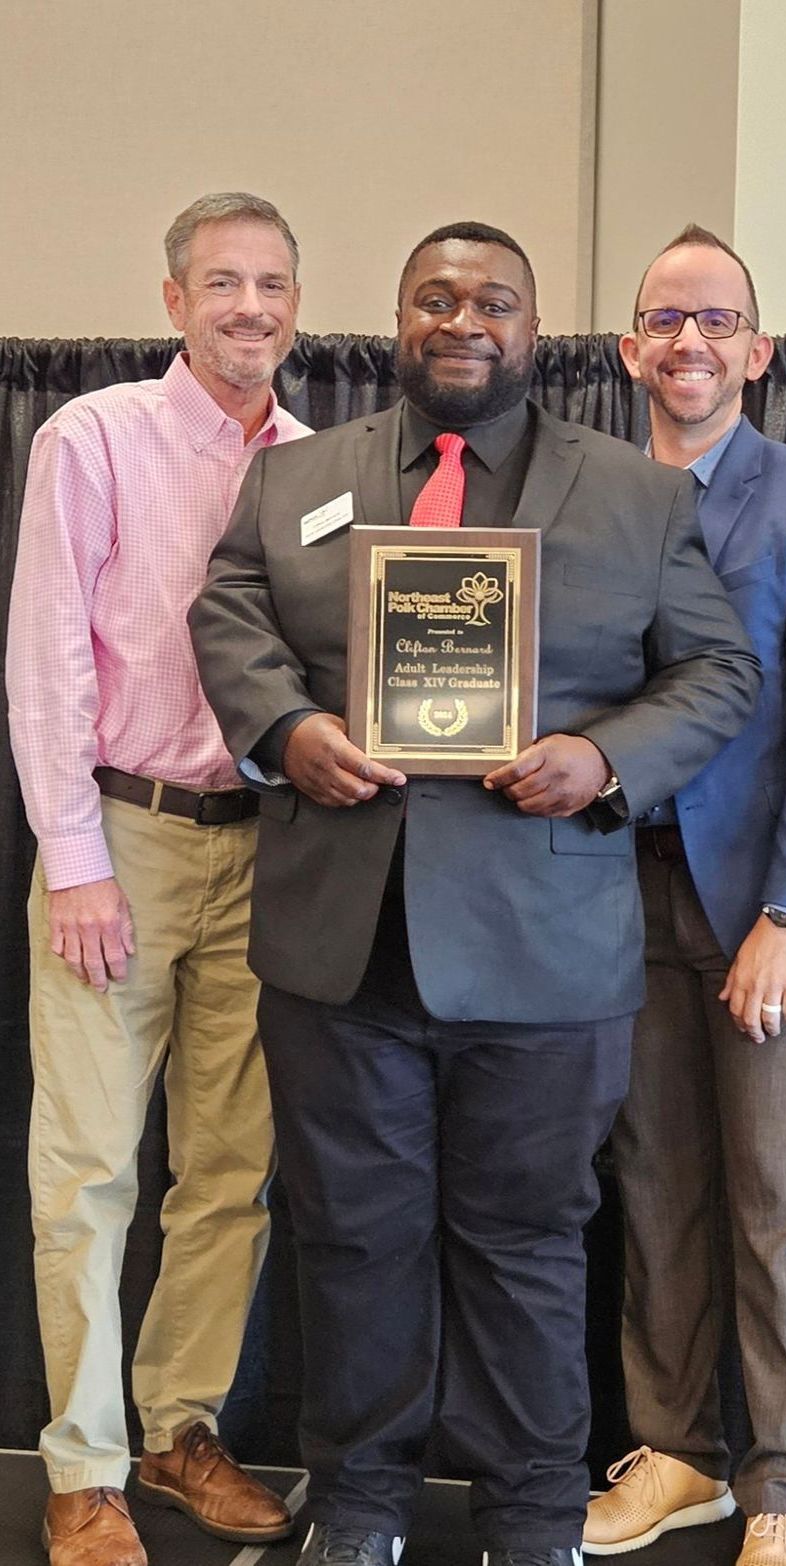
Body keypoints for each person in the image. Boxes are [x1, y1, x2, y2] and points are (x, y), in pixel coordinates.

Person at [188, 219, 761, 1566]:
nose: (462, 320)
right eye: (434, 298)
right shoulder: (301, 478)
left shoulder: (633, 492)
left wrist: (603, 758)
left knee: (528, 1243)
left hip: (543, 946)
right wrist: (286, 732)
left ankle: (527, 1514)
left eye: (492, 301)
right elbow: (229, 614)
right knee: (355, 1236)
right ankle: (366, 1505)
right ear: (396, 321)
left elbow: (718, 675)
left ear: (535, 328)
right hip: (345, 938)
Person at [6, 192, 309, 1566]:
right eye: (225, 282)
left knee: (231, 1169)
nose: (251, 306)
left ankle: (178, 1428)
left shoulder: (323, 463)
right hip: (117, 839)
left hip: (272, 849)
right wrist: (72, 857)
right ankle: (82, 1469)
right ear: (176, 298)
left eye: (274, 285)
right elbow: (49, 663)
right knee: (85, 1168)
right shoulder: (95, 439)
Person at [584, 226, 786, 1566]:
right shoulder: (585, 492)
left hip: (771, 910)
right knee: (655, 1185)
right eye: (666, 319)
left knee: (779, 1193)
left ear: (757, 351)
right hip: (612, 896)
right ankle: (679, 1453)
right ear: (629, 347)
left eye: (717, 321)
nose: (690, 341)